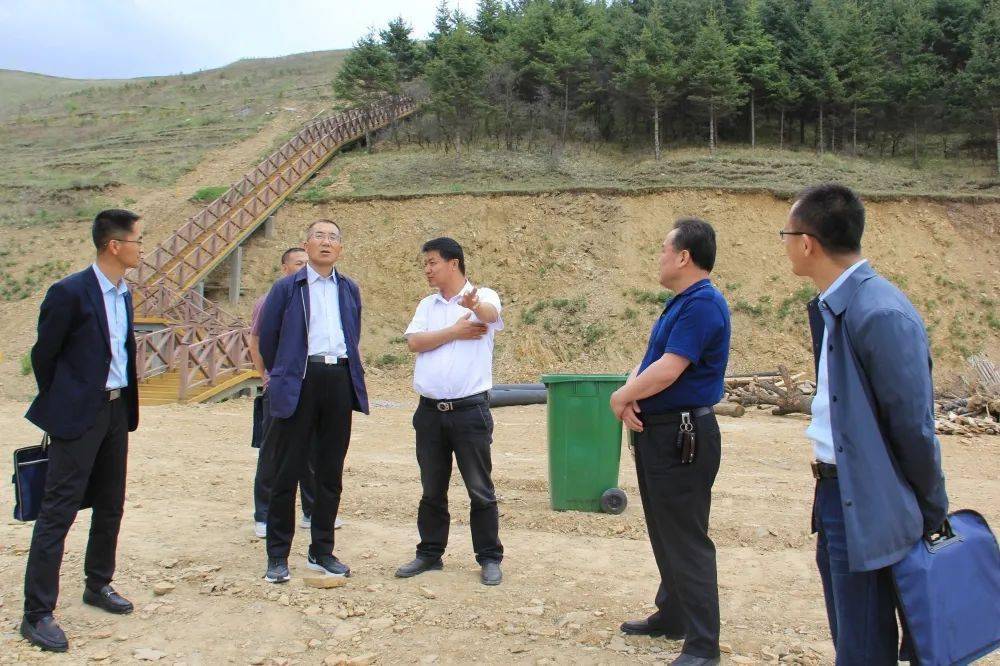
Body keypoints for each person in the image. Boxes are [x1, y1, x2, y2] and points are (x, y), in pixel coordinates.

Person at [780, 183, 948, 664]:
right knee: (855, 638)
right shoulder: (840, 307)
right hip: (837, 495)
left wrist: (932, 511)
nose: (786, 245)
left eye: (786, 235)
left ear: (807, 242)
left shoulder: (880, 313)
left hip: (868, 501)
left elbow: (914, 428)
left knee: (865, 648)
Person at [21, 209, 143, 652]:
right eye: (137, 241)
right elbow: (44, 355)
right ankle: (36, 613)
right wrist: (65, 403)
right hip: (78, 415)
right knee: (59, 511)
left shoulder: (123, 294)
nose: (140, 249)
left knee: (111, 503)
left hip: (115, 411)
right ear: (115, 245)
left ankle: (98, 584)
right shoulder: (69, 292)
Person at [610, 218, 731, 666]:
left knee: (685, 538)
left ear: (683, 256)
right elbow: (650, 362)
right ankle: (674, 615)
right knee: (665, 531)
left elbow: (670, 369)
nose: (658, 257)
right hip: (661, 433)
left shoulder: (703, 305)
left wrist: (620, 398)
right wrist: (629, 394)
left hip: (684, 436)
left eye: (663, 249)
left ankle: (703, 647)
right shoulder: (680, 303)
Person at [256, 219, 368, 583]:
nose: (326, 242)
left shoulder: (349, 289)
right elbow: (269, 338)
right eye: (319, 236)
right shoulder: (287, 287)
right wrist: (285, 374)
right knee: (286, 471)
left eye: (333, 237)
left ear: (340, 248)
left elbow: (354, 333)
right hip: (299, 381)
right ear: (306, 244)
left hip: (337, 379)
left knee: (330, 472)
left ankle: (322, 550)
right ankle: (277, 555)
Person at [395, 237, 505, 586]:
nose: (427, 269)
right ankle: (429, 553)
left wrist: (473, 308)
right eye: (425, 263)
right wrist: (455, 331)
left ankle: (489, 558)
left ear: (453, 263)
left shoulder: (483, 296)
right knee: (432, 487)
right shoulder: (426, 305)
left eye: (432, 262)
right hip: (429, 412)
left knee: (479, 489)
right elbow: (414, 342)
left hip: (470, 412)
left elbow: (491, 316)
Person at [249, 247, 334, 539]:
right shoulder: (273, 297)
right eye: (297, 263)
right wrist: (268, 377)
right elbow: (259, 340)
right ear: (285, 268)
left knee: (312, 453)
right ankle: (263, 514)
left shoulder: (318, 296)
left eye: (305, 264)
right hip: (283, 385)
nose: (302, 268)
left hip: (312, 386)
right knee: (273, 452)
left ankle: (311, 511)